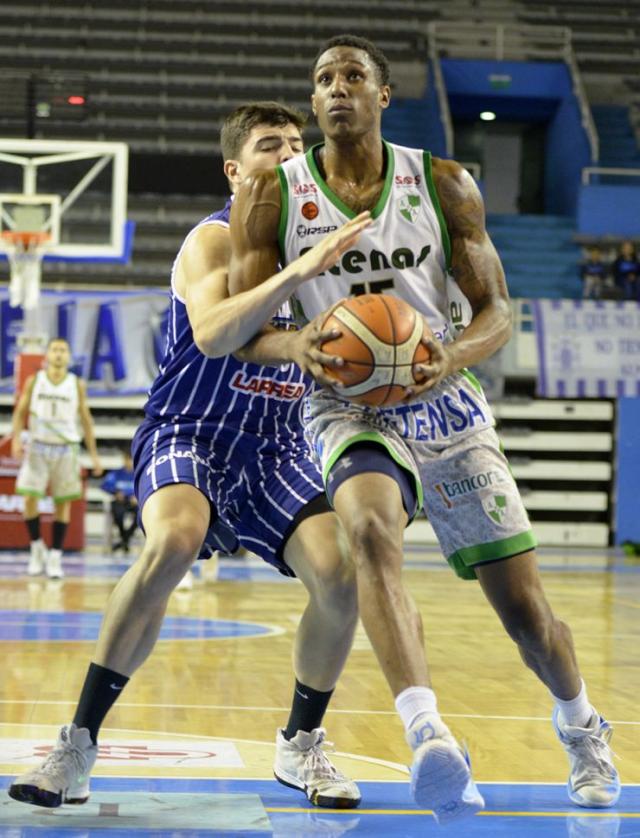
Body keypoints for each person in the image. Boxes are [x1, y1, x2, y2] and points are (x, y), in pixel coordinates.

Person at [226, 35, 621, 823]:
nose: (337, 89)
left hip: (443, 399)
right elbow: (244, 328)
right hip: (343, 401)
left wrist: (451, 355)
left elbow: (497, 312)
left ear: (383, 95)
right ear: (314, 103)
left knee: (527, 616)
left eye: (353, 77)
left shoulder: (443, 183)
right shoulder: (273, 194)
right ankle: (428, 732)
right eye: (323, 80)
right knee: (370, 532)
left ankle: (581, 724)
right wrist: (297, 342)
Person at [9, 102, 371, 812]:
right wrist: (302, 272)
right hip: (190, 429)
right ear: (236, 170)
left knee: (342, 573)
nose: (291, 155)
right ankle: (77, 743)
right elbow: (212, 333)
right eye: (272, 145)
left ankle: (300, 746)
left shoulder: (327, 250)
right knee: (173, 540)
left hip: (276, 444)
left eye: (299, 145)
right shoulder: (211, 241)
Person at [11, 337, 103, 579]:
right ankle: (36, 548)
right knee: (29, 500)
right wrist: (16, 440)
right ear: (47, 354)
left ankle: (55, 557)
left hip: (66, 448)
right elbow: (20, 412)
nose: (59, 354)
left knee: (62, 503)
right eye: (55, 349)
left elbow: (86, 420)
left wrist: (94, 456)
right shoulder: (35, 381)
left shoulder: (75, 384)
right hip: (38, 447)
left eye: (63, 349)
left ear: (69, 356)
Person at [101, 448, 137, 554]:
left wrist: (137, 496)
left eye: (131, 459)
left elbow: (145, 487)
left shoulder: (139, 474)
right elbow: (104, 485)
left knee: (141, 515)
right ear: (124, 460)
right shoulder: (116, 473)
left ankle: (123, 540)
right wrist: (116, 492)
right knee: (118, 514)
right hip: (119, 502)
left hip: (134, 502)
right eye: (127, 459)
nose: (129, 462)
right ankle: (125, 540)